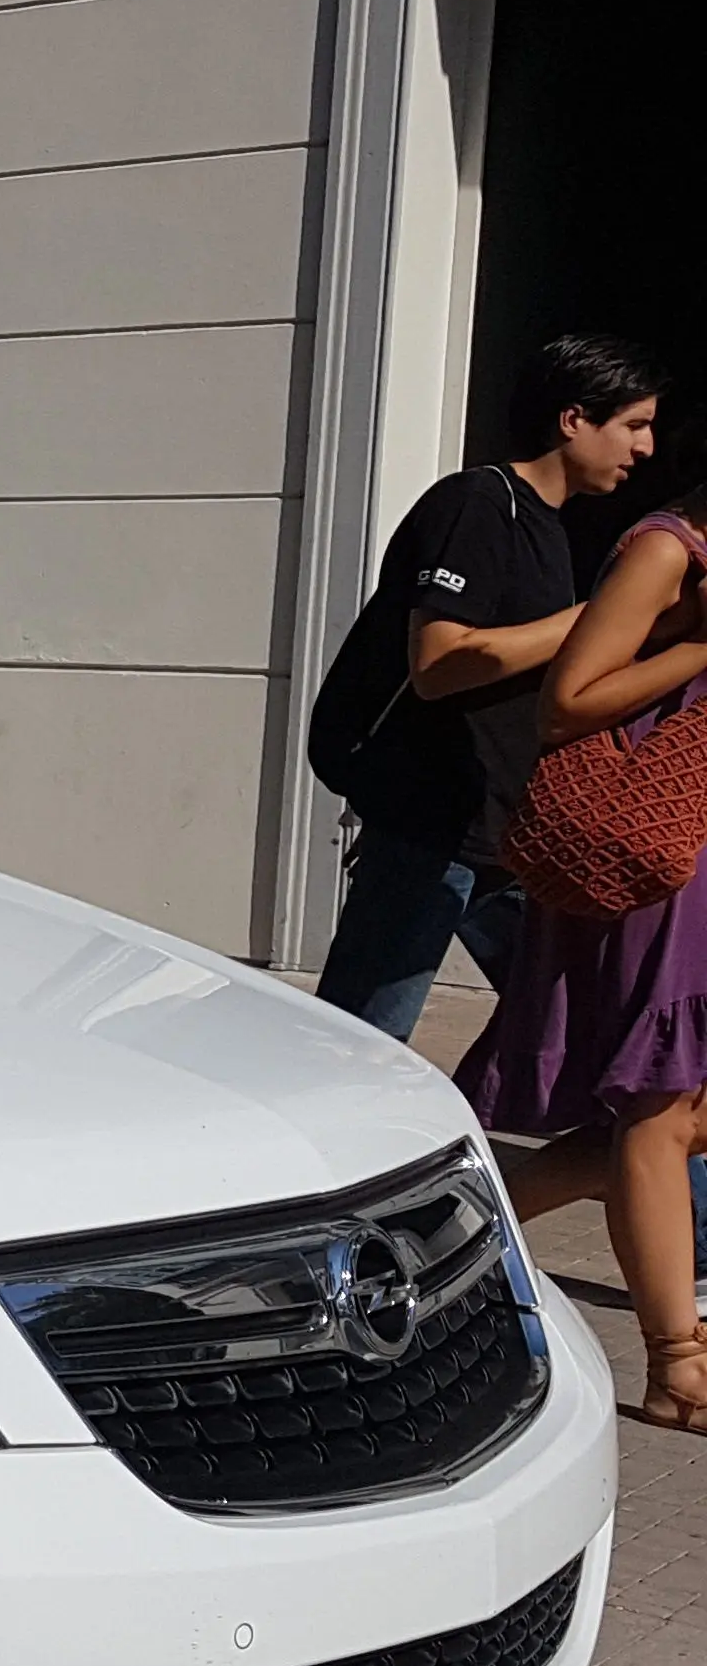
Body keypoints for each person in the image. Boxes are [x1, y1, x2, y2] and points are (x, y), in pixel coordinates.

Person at [308, 335, 666, 1040]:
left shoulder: (553, 535)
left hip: (509, 834)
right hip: (430, 830)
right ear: (573, 419)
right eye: (633, 424)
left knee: (592, 1036)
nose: (646, 448)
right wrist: (596, 618)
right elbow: (440, 664)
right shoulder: (479, 503)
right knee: (358, 1046)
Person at [458, 473, 707, 1428]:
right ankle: (675, 1363)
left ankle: (465, 1229)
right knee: (661, 1108)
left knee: (665, 1122)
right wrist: (696, 644)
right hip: (666, 860)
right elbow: (567, 702)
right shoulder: (667, 548)